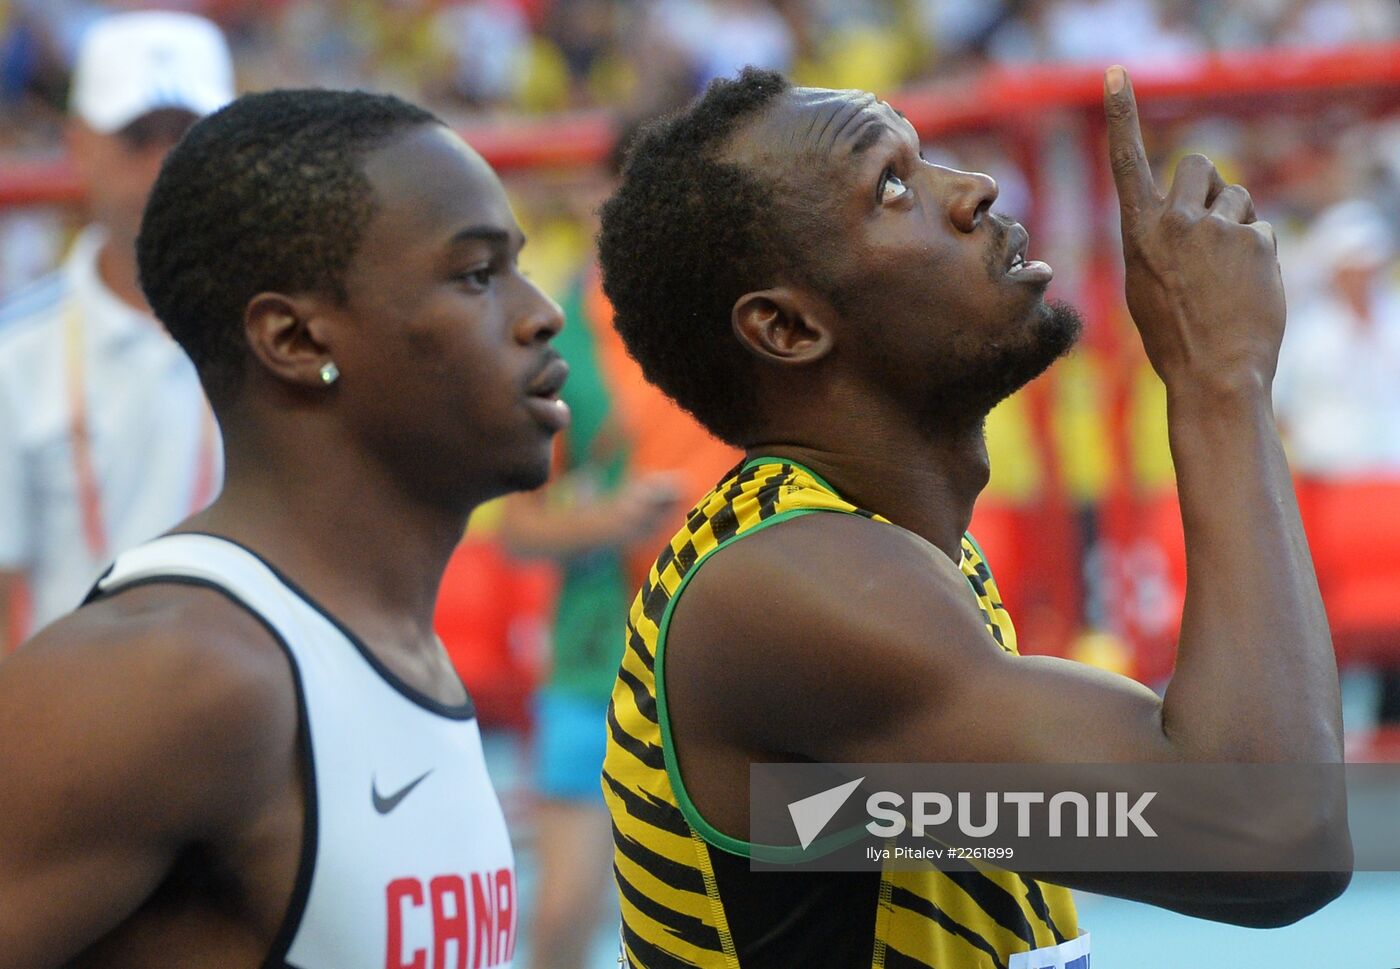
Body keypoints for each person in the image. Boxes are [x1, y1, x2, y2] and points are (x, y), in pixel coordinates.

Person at [595, 66, 1350, 967]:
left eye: (927, 156)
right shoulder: (778, 586)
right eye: (892, 186)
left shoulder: (889, 560)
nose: (975, 187)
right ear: (788, 330)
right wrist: (1221, 375)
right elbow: (1271, 830)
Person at [0, 87, 567, 968]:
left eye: (518, 265)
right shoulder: (177, 675)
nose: (541, 311)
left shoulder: (381, 644)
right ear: (296, 340)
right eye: (476, 274)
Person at [0, 11, 234, 650]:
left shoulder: (279, 331)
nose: (163, 165)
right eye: (136, 138)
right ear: (78, 143)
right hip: (70, 728)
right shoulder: (14, 354)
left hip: (241, 727)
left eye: (185, 136)